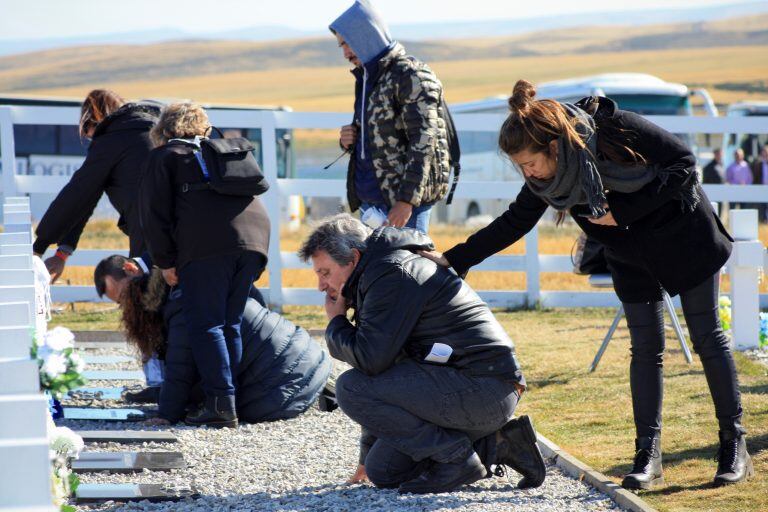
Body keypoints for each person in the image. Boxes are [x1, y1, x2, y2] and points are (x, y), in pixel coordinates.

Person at [421, 81, 752, 490]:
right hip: (630, 253)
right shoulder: (550, 180)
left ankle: (734, 446)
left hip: (684, 236)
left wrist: (623, 211)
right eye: (520, 168)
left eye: (530, 164)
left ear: (555, 147)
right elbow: (513, 222)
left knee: (707, 337)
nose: (528, 175)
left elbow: (683, 164)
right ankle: (648, 455)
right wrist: (454, 258)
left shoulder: (615, 128)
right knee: (646, 349)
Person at [298, 214, 546, 494]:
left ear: (353, 258)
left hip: (485, 388)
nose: (320, 285)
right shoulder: (378, 272)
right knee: (384, 470)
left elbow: (370, 361)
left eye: (325, 273)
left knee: (349, 387)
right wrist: (366, 459)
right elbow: (382, 372)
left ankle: (457, 459)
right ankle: (501, 443)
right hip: (471, 387)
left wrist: (336, 323)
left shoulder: (391, 274)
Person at [140, 102, 270, 428]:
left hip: (207, 247)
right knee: (230, 324)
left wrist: (165, 262)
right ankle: (228, 400)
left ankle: (221, 405)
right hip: (254, 241)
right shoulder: (223, 153)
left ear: (165, 129)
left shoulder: (165, 157)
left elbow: (154, 217)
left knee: (206, 325)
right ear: (205, 128)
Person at [118, 268, 331, 425]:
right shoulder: (204, 288)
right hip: (311, 358)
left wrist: (165, 415)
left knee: (209, 403)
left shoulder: (183, 313)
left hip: (282, 389)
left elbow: (179, 373)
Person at [330, 0, 453, 234]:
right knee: (378, 271)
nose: (345, 53)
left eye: (348, 43)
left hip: (403, 206)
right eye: (341, 46)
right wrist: (349, 139)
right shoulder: (367, 77)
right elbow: (379, 137)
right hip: (371, 205)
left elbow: (425, 141)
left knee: (407, 269)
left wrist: (406, 201)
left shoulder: (410, 74)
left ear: (367, 35)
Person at [33, 89, 160, 281]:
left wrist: (38, 248)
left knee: (147, 292)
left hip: (149, 228)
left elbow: (78, 195)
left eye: (87, 130)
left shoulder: (112, 139)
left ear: (94, 119)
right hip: (188, 220)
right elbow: (88, 197)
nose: (91, 137)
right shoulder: (156, 129)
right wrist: (63, 252)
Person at [750, 145, 768, 221]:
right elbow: (755, 177)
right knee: (761, 206)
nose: (765, 154)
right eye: (764, 152)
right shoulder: (758, 164)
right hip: (761, 188)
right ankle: (763, 221)